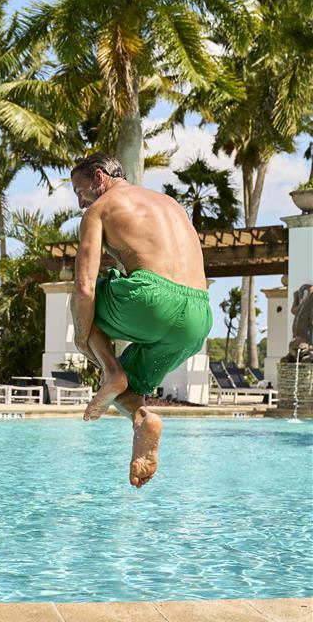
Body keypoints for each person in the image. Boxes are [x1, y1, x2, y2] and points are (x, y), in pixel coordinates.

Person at [70, 152, 212, 489]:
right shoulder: (170, 204)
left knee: (80, 307)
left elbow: (84, 286)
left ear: (99, 177)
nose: (79, 202)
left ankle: (110, 368)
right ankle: (142, 418)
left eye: (80, 190)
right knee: (127, 387)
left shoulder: (100, 209)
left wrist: (82, 336)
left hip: (153, 299)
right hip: (199, 317)